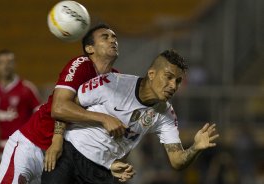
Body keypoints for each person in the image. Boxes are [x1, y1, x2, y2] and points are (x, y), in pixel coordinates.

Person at [41, 49, 219, 184]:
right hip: (70, 156)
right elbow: (67, 107)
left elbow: (176, 160)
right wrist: (57, 140)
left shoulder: (166, 115)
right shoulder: (111, 83)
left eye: (178, 81)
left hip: (105, 171)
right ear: (151, 74)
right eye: (169, 77)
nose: (173, 85)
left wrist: (195, 147)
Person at [0, 24, 128, 184]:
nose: (112, 40)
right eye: (105, 37)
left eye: (114, 37)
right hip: (32, 145)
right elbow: (59, 108)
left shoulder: (116, 78)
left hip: (65, 158)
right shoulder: (82, 64)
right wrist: (103, 119)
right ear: (90, 48)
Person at [0, 49, 40, 157]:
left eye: (9, 62)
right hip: (4, 147)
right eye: (2, 62)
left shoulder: (27, 88)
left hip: (24, 146)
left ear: (15, 65)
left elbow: (40, 116)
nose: (6, 66)